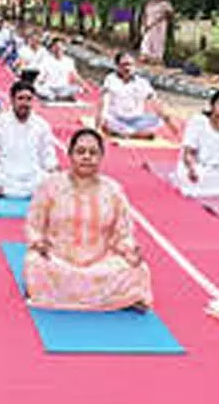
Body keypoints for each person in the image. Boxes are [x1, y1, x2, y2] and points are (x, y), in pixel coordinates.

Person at [23, 128, 153, 311]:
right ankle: (110, 298)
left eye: (93, 153)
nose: (86, 157)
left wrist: (130, 250)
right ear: (70, 154)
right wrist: (38, 242)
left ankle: (66, 295)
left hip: (100, 262)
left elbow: (123, 232)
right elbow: (34, 223)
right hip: (59, 259)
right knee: (35, 263)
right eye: (80, 151)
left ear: (101, 157)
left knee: (138, 269)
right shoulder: (50, 186)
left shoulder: (113, 190)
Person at [0, 81, 58, 198]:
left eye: (29, 99)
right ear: (12, 100)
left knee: (53, 179)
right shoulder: (0, 124)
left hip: (33, 176)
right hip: (6, 176)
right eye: (20, 98)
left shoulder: (42, 125)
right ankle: (12, 191)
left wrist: (52, 166)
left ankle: (8, 192)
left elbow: (47, 153)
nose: (25, 103)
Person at [97, 52, 176, 139]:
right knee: (108, 122)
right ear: (117, 66)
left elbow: (154, 102)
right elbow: (104, 101)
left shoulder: (142, 82)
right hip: (116, 119)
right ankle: (132, 133)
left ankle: (128, 133)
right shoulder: (110, 79)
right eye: (124, 65)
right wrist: (99, 124)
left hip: (136, 120)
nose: (127, 68)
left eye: (130, 65)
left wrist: (169, 122)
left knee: (158, 121)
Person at [140, 0, 174, 64]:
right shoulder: (149, 4)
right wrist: (145, 23)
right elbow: (145, 14)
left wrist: (159, 19)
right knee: (147, 40)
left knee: (158, 41)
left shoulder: (165, 4)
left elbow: (170, 13)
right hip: (149, 24)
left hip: (159, 25)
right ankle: (146, 56)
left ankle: (156, 58)